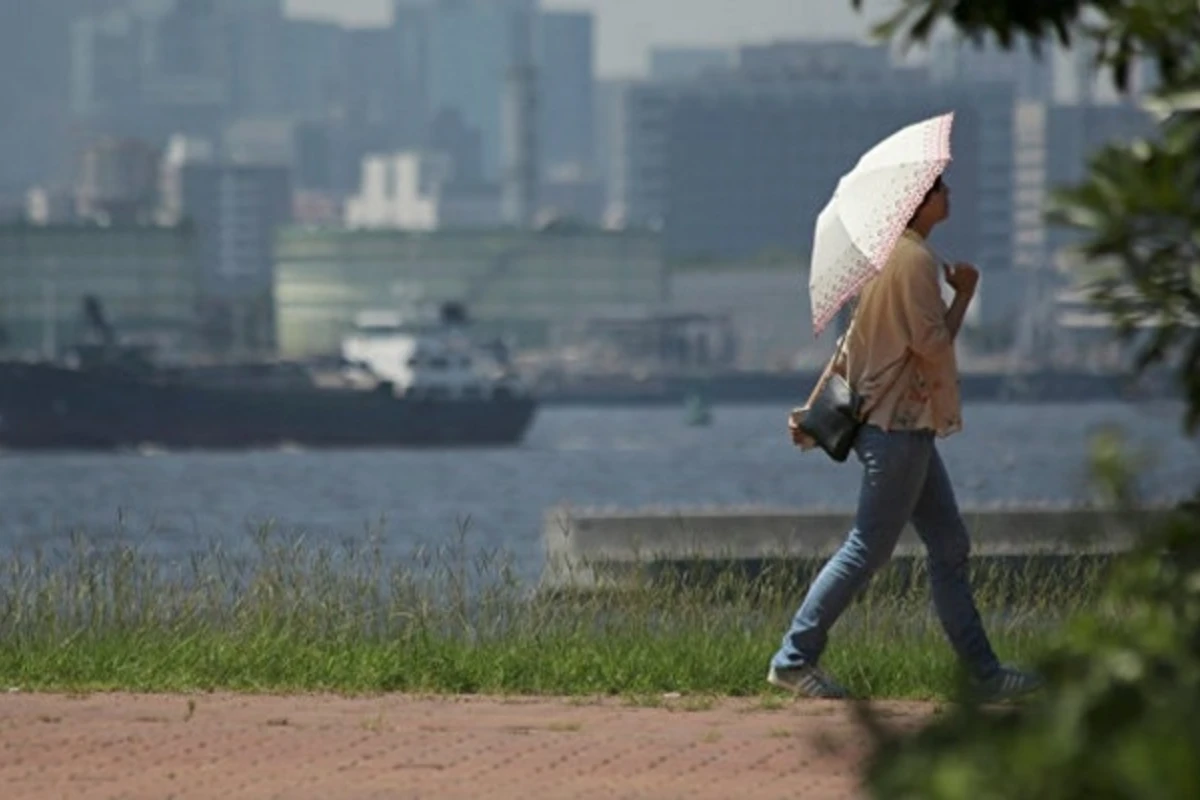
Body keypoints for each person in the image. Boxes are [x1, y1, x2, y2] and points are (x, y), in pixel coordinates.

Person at [769, 174, 1042, 701]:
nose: (948, 193)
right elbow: (932, 345)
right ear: (918, 202)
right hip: (897, 430)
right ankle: (794, 658)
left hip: (903, 428)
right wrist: (964, 295)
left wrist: (814, 411)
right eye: (941, 188)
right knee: (866, 549)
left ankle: (984, 674)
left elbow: (852, 346)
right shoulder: (914, 262)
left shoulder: (881, 258)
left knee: (948, 544)